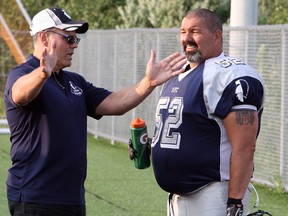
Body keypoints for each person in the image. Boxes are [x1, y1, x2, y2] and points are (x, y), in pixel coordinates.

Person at [3, 7, 186, 216]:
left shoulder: (73, 81)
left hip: (72, 198)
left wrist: (149, 82)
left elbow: (113, 103)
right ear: (44, 38)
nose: (74, 45)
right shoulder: (23, 74)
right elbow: (19, 94)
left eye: (76, 40)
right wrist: (42, 73)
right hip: (35, 197)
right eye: (68, 39)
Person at [129, 8, 265, 216]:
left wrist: (235, 201)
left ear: (217, 35)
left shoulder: (231, 75)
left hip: (214, 193)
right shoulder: (177, 73)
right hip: (177, 197)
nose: (187, 38)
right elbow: (189, 130)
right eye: (183, 32)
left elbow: (245, 146)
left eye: (195, 31)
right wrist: (150, 146)